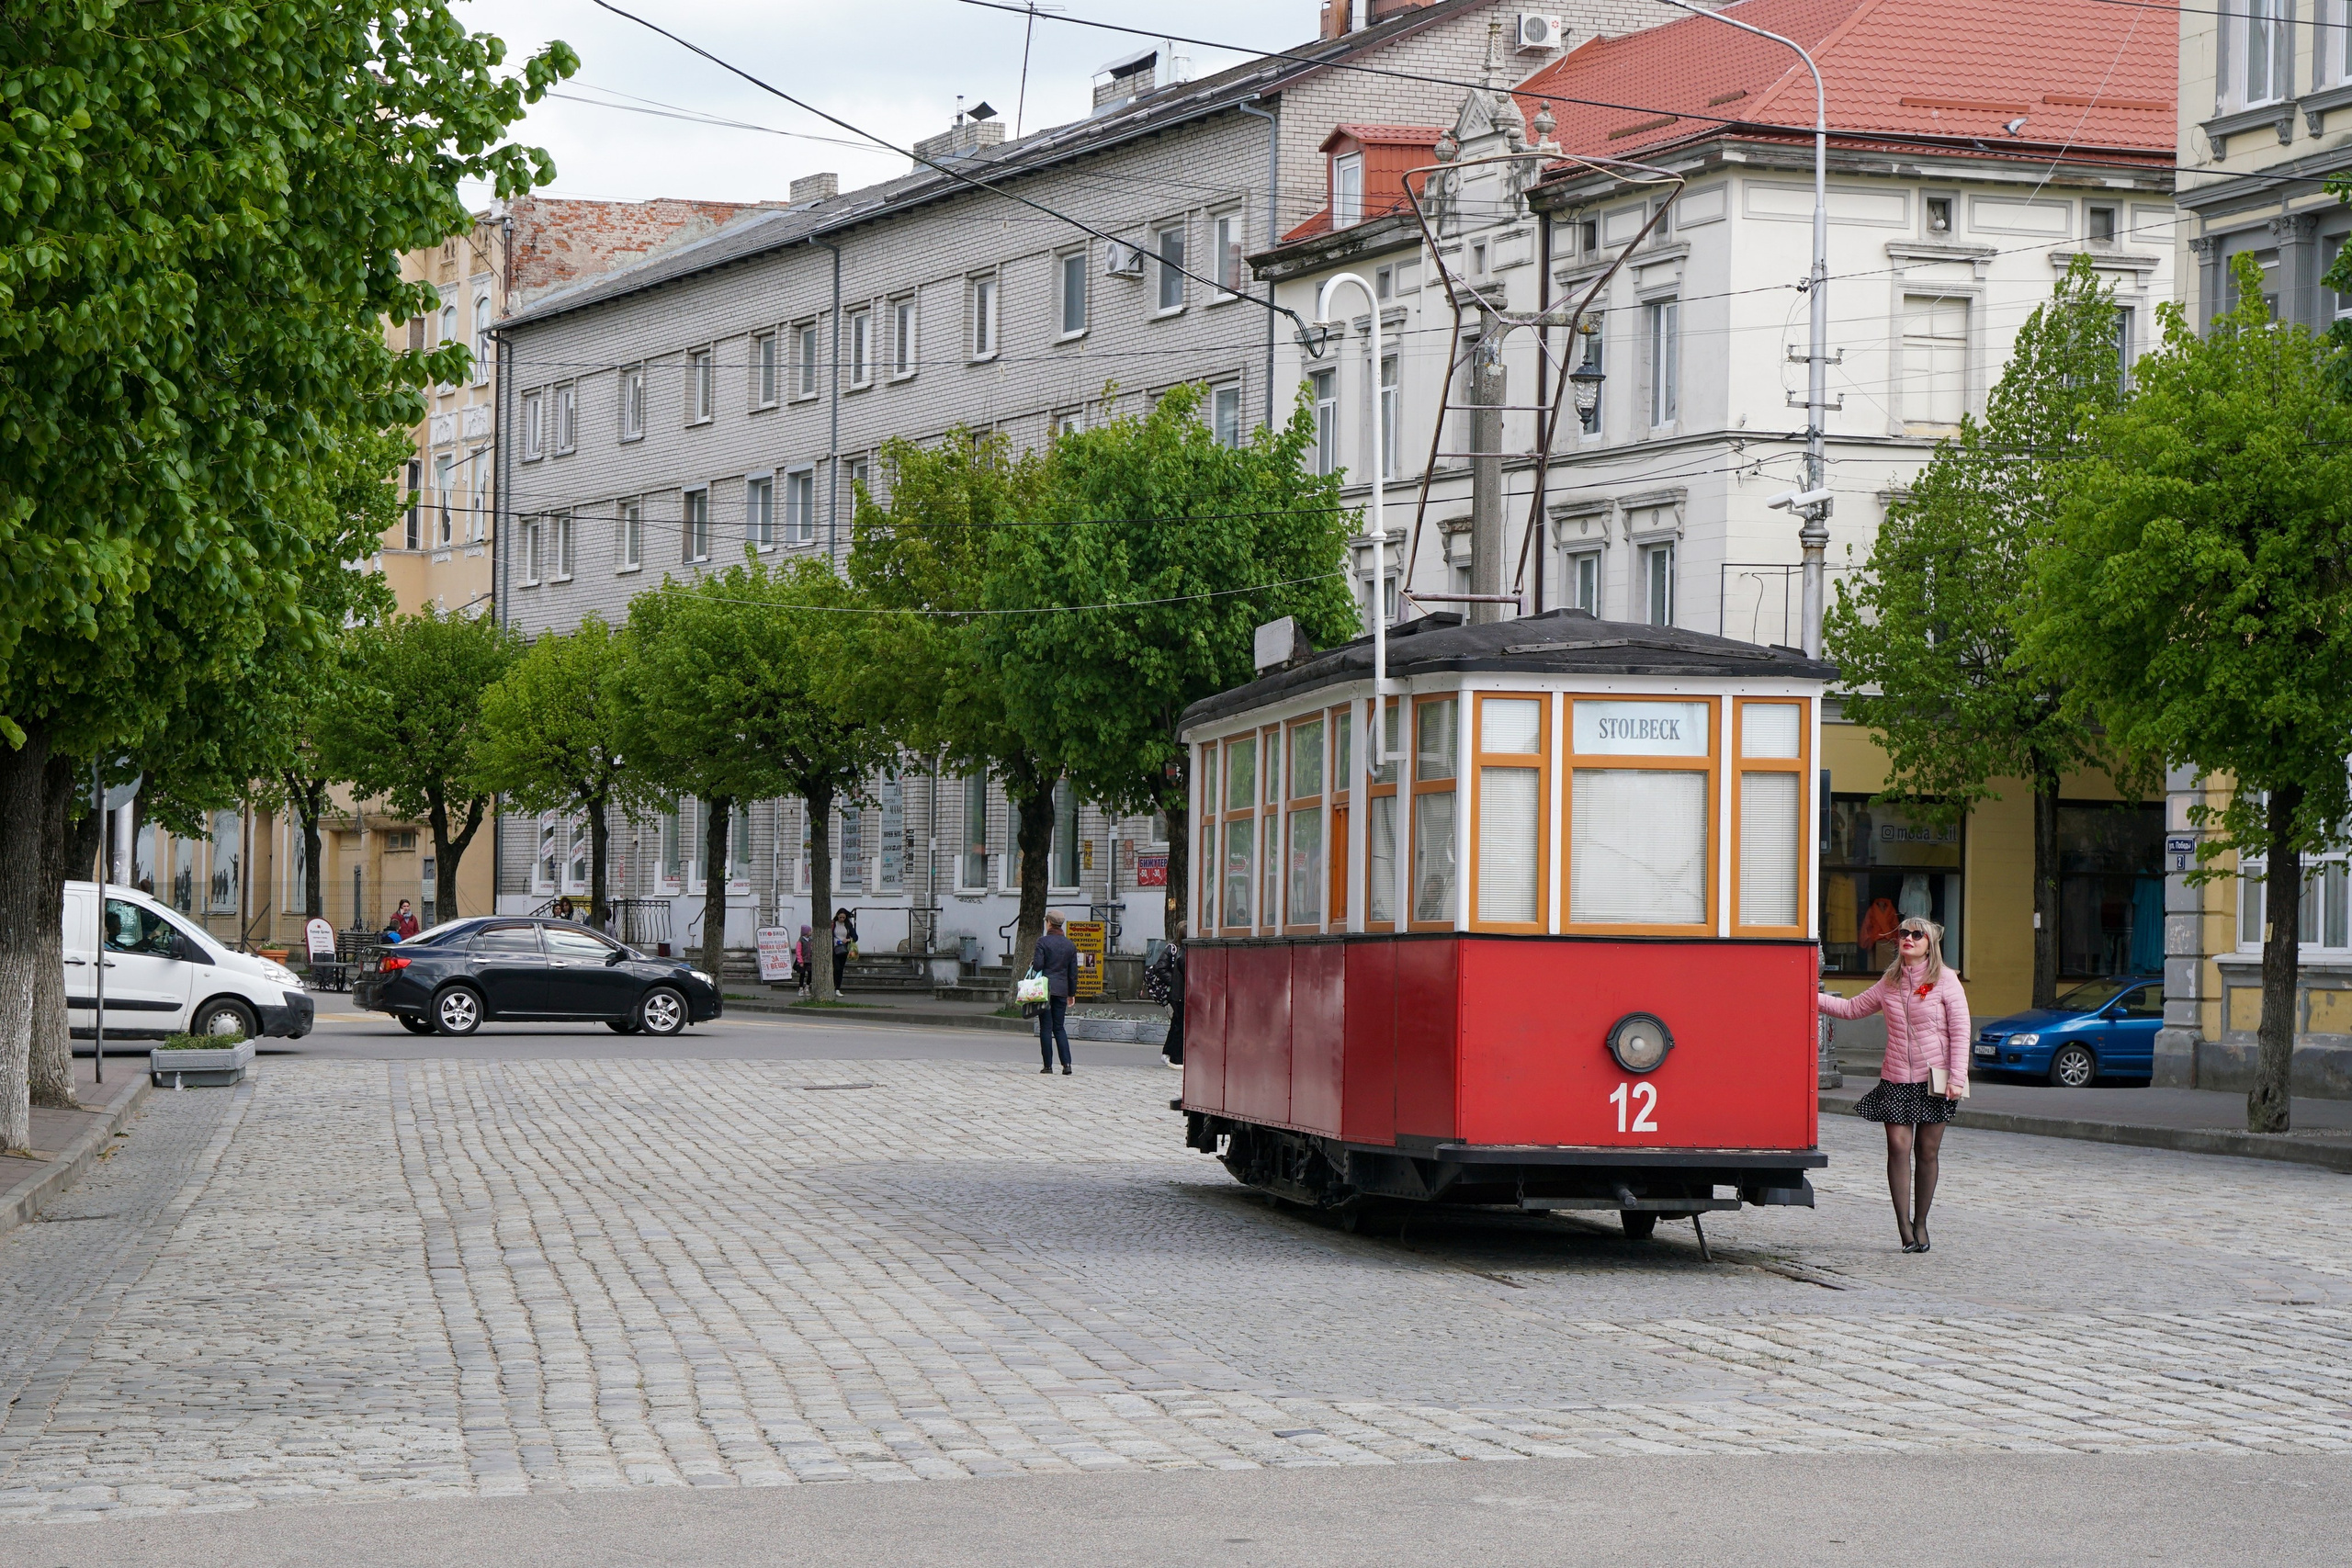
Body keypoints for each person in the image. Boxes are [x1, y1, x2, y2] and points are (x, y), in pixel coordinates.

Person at [1819, 917, 1970, 1253]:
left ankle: (1921, 1223)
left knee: (1927, 1152)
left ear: (1930, 945)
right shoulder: (1890, 981)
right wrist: (1809, 995)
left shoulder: (1945, 980)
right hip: (1897, 1077)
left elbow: (1961, 1032)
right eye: (1904, 933)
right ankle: (1904, 1226)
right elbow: (1852, 1008)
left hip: (1936, 1078)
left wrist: (1957, 1078)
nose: (1908, 938)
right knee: (1898, 1149)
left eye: (1917, 934)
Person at [1031, 911, 1079, 1075]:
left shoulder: (1042, 942)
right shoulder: (1070, 945)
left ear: (1049, 923)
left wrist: (1034, 962)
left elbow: (1038, 966)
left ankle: (1048, 1066)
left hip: (1044, 989)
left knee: (1046, 1027)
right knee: (1059, 1027)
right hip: (1062, 990)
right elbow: (1073, 973)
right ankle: (1067, 1065)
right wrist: (1071, 993)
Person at [1148, 924, 1186, 1069]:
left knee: (1176, 1023)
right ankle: (1174, 1057)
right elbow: (1160, 968)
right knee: (1178, 1024)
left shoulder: (1181, 949)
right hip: (1175, 992)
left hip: (1176, 992)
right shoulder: (1173, 949)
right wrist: (1175, 981)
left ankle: (1167, 1053)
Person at [831, 907, 857, 994]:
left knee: (840, 969)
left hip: (843, 949)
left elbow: (855, 937)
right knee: (836, 967)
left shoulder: (848, 925)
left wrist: (848, 940)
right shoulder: (833, 924)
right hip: (834, 948)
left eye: (843, 918)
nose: (842, 919)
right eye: (840, 917)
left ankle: (837, 988)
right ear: (837, 916)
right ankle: (832, 985)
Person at [794, 925, 814, 998]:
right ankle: (801, 988)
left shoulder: (811, 940)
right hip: (803, 960)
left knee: (810, 974)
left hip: (810, 960)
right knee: (802, 974)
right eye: (809, 931)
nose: (811, 932)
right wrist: (800, 961)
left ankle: (807, 987)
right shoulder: (800, 941)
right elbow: (798, 951)